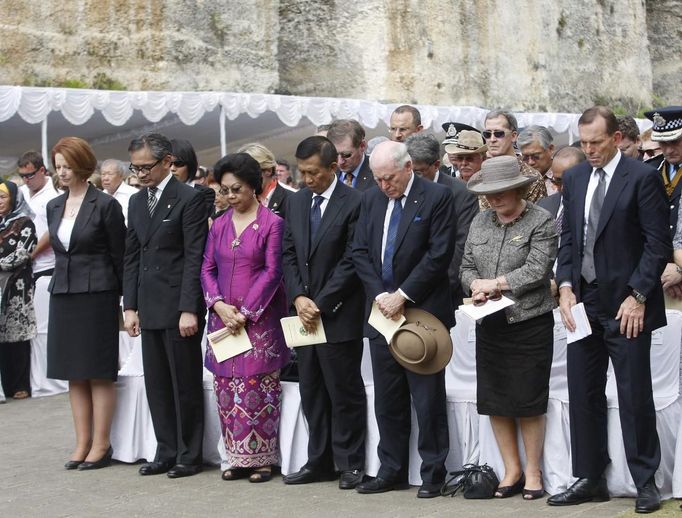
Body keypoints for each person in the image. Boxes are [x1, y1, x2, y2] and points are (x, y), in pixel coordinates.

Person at [549, 107, 670, 514]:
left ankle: (645, 480)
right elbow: (568, 238)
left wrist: (638, 295)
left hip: (626, 303)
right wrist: (565, 287)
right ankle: (589, 476)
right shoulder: (577, 176)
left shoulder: (642, 178)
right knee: (583, 391)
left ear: (616, 138)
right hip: (584, 301)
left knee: (634, 393)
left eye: (596, 143)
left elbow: (657, 245)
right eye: (583, 143)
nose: (590, 150)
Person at [352, 140, 456, 498]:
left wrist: (403, 295)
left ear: (408, 166)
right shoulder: (370, 198)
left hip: (420, 311)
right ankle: (390, 468)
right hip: (382, 312)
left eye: (390, 178)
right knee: (387, 397)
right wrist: (380, 296)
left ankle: (433, 472)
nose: (384, 185)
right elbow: (360, 251)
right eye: (378, 178)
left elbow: (439, 254)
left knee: (426, 398)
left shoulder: (436, 197)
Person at [460, 155, 557, 500]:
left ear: (518, 189)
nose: (495, 199)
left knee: (528, 399)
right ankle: (511, 468)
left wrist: (495, 283)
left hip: (529, 321)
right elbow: (466, 266)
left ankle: (533, 470)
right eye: (490, 193)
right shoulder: (479, 222)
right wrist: (475, 286)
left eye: (502, 192)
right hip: (490, 321)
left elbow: (537, 270)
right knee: (495, 399)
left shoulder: (541, 220)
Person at [281, 136, 367, 489]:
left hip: (338, 312)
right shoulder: (297, 201)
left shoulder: (355, 202)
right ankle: (319, 459)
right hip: (304, 315)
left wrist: (322, 301)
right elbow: (287, 252)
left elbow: (352, 258)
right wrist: (299, 296)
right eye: (302, 173)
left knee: (342, 389)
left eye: (313, 172)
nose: (307, 179)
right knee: (311, 388)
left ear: (334, 168)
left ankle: (350, 462)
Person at [201, 152, 290, 483]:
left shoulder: (272, 224)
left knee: (257, 388)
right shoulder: (220, 224)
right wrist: (219, 305)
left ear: (254, 187)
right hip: (223, 318)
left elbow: (272, 271)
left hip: (259, 320)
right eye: (224, 190)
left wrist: (246, 311)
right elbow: (207, 267)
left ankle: (262, 459)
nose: (230, 197)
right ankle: (236, 457)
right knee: (226, 387)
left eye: (236, 189)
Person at [123, 133, 208, 479]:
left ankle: (189, 453)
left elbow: (194, 257)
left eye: (147, 167)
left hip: (178, 304)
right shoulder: (135, 202)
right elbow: (131, 255)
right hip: (148, 302)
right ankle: (166, 449)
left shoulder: (190, 198)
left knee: (184, 382)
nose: (141, 174)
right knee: (156, 381)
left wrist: (189, 307)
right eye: (136, 167)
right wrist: (130, 305)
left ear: (168, 162)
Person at [46, 137, 126, 470]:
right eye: (58, 165)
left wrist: (126, 303)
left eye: (66, 165)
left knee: (97, 372)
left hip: (97, 294)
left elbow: (119, 256)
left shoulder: (105, 205)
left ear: (82, 165)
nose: (61, 172)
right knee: (73, 373)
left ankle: (101, 443)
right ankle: (81, 442)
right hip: (63, 293)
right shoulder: (53, 205)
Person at [405, 133, 478, 309]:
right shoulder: (403, 188)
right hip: (404, 289)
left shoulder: (462, 194)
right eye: (407, 170)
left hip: (443, 292)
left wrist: (435, 288)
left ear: (436, 165)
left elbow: (461, 248)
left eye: (418, 172)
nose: (411, 177)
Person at [17, 151, 63, 397]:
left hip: (46, 266)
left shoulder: (53, 196)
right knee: (32, 329)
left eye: (30, 174)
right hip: (26, 268)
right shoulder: (23, 194)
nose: (26, 180)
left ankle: (50, 381)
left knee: (45, 328)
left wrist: (31, 254)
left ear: (43, 171)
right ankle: (35, 380)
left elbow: (51, 231)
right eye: (22, 175)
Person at [0, 180, 37, 400]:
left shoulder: (25, 223)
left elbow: (21, 254)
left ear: (14, 199)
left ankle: (20, 385)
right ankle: (5, 386)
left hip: (17, 289)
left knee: (18, 338)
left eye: (3, 197)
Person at [644, 107, 682, 299]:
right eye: (662, 143)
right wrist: (664, 264)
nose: (668, 149)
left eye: (674, 142)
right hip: (655, 274)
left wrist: (680, 269)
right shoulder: (648, 170)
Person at [480, 110, 547, 210]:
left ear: (513, 136)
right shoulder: (479, 175)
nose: (492, 139)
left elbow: (538, 221)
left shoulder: (531, 178)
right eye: (487, 134)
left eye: (498, 134)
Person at [238, 142, 294, 219]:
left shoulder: (292, 200)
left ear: (268, 170)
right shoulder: (239, 201)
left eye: (248, 173)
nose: (244, 178)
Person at [170, 138, 216, 220]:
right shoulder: (156, 194)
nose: (172, 168)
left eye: (178, 163)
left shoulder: (204, 194)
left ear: (190, 165)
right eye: (168, 163)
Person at [327, 119, 377, 191]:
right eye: (335, 154)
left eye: (346, 155)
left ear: (362, 146)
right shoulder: (326, 174)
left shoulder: (378, 173)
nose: (340, 162)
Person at [517, 125, 556, 194]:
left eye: (535, 156)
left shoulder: (561, 176)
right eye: (525, 157)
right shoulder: (520, 179)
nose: (530, 162)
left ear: (550, 149)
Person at [100, 159, 137, 224]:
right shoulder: (100, 196)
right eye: (103, 174)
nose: (105, 178)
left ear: (121, 176)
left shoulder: (133, 194)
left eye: (110, 174)